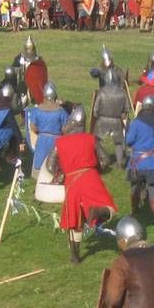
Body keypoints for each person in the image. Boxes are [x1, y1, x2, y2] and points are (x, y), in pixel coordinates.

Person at [49, 106, 117, 263]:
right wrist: (96, 170)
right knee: (110, 209)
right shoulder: (90, 139)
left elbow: (50, 164)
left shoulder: (60, 142)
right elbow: (106, 159)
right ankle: (97, 211)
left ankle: (75, 256)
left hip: (72, 180)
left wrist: (60, 174)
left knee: (74, 219)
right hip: (90, 176)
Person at [125, 96, 154, 222]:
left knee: (135, 186)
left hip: (137, 162)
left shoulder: (136, 122)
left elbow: (129, 141)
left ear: (143, 106)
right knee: (153, 189)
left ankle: (134, 211)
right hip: (153, 162)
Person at [25, 82, 68, 175]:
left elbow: (33, 128)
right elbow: (66, 129)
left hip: (42, 140)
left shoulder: (36, 110)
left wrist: (42, 131)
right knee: (55, 165)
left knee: (40, 164)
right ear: (54, 96)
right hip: (56, 141)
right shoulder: (61, 111)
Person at [92, 68, 131, 169]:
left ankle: (100, 160)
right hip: (116, 121)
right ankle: (119, 162)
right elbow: (127, 108)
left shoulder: (101, 92)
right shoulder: (122, 92)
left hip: (102, 120)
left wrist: (98, 116)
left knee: (97, 141)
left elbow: (95, 110)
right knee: (118, 142)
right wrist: (122, 114)